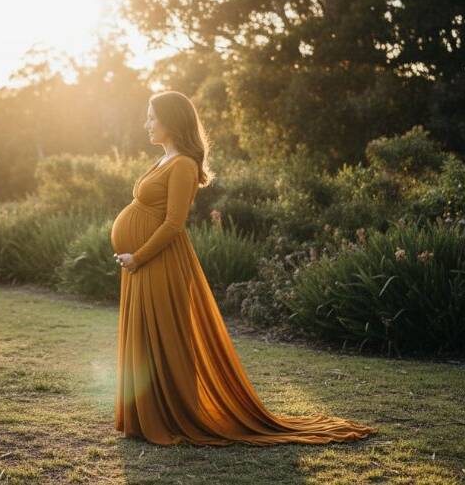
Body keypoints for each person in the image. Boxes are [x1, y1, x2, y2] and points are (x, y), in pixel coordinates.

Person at [109, 90, 377, 446]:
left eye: (152, 117)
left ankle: (171, 415)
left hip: (158, 262)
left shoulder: (184, 165)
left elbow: (174, 224)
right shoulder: (163, 160)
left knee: (166, 336)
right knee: (145, 334)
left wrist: (139, 256)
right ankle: (145, 417)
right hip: (141, 262)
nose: (146, 124)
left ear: (172, 122)